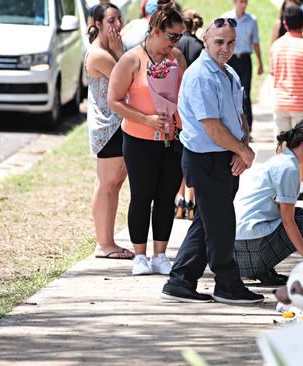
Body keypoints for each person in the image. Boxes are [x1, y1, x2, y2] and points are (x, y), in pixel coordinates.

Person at [162, 18, 264, 304]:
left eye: (231, 42)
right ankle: (226, 284)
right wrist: (243, 152)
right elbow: (212, 127)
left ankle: (180, 281)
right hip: (206, 158)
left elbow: (236, 116)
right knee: (221, 224)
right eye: (219, 42)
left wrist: (241, 146)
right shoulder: (201, 75)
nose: (226, 48)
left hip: (224, 155)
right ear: (205, 40)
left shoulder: (227, 71)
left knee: (209, 221)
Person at [107, 0, 187, 275]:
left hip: (172, 138)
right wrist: (146, 119)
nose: (176, 42)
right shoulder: (131, 60)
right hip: (139, 138)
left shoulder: (177, 58)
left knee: (167, 197)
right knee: (142, 196)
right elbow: (114, 101)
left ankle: (160, 254)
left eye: (180, 36)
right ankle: (139, 254)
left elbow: (184, 96)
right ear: (154, 30)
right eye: (172, 35)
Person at [234, 118, 303, 285]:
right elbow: (287, 221)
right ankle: (261, 267)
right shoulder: (289, 168)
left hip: (236, 243)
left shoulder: (284, 159)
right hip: (246, 249)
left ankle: (263, 267)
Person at [86, 3, 133, 260]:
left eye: (119, 19)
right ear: (98, 24)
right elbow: (123, 82)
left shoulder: (113, 49)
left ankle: (109, 241)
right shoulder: (99, 55)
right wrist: (118, 51)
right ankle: (103, 244)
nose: (117, 25)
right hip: (107, 127)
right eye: (111, 20)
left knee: (115, 184)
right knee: (106, 184)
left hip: (118, 124)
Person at [269, 5, 303, 201]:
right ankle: (300, 184)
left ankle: (282, 185)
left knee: (283, 146)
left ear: (284, 24)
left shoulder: (276, 46)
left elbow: (273, 73)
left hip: (281, 102)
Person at [173, 9, 204, 220]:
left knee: (179, 156)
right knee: (192, 152)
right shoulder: (199, 47)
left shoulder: (174, 46)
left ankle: (179, 198)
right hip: (193, 104)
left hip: (176, 102)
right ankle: (192, 201)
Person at [222, 0, 263, 133]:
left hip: (245, 60)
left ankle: (248, 129)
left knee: (245, 95)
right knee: (229, 92)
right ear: (234, 2)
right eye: (241, 2)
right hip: (230, 60)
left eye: (245, 2)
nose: (244, 5)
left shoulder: (252, 20)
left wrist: (260, 63)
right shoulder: (226, 18)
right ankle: (232, 126)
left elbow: (255, 42)